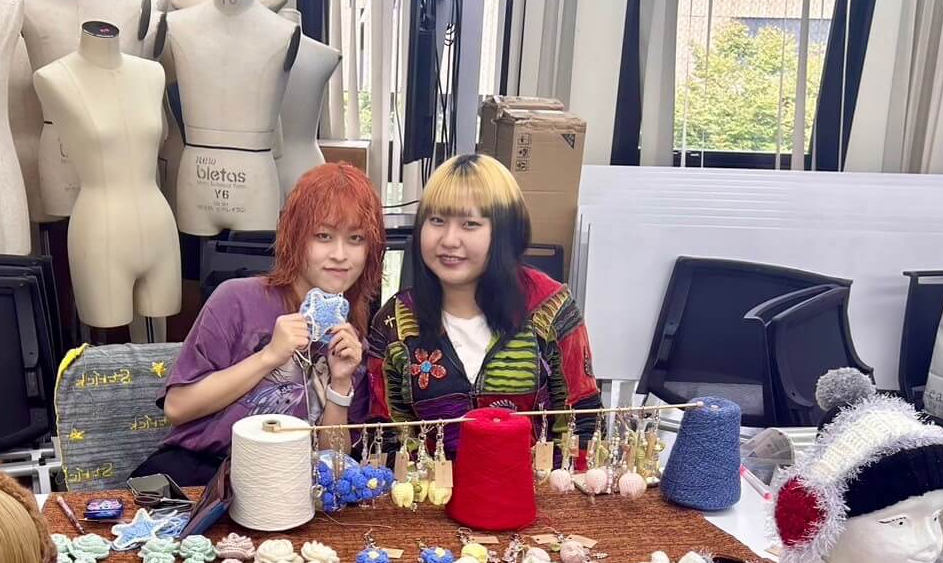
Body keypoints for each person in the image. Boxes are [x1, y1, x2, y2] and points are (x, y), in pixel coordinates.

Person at [133, 162, 387, 485]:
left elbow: (334, 465)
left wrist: (340, 384)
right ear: (296, 236)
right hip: (198, 475)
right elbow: (177, 407)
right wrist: (269, 356)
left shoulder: (351, 343)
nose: (340, 254)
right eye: (323, 236)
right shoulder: (236, 300)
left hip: (284, 488)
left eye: (355, 238)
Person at [367, 152, 601, 456]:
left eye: (470, 223)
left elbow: (582, 424)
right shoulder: (395, 321)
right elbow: (385, 438)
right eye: (437, 220)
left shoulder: (550, 309)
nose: (449, 240)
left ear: (505, 232)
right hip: (430, 485)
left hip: (535, 484)